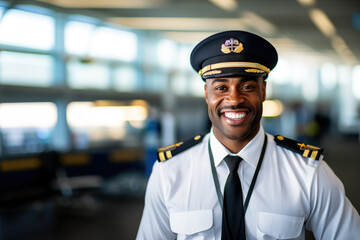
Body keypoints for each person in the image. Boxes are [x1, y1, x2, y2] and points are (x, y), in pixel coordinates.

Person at [136, 30, 360, 240]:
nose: (234, 100)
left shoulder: (307, 171)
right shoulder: (170, 171)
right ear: (207, 94)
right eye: (221, 88)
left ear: (263, 91)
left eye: (247, 87)